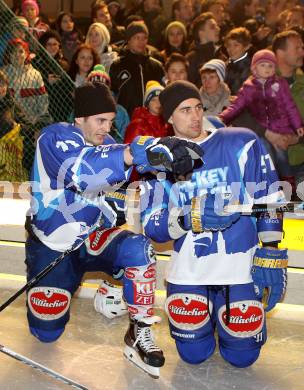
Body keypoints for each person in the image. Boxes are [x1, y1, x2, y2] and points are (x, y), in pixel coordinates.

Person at [25, 81, 203, 378]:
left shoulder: (105, 146)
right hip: (52, 247)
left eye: (110, 120)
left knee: (139, 249)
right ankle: (113, 288)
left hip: (89, 240)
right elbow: (83, 173)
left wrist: (159, 169)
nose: (107, 128)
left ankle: (139, 330)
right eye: (100, 120)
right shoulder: (55, 136)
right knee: (46, 333)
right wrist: (134, 153)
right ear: (79, 118)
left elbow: (112, 191)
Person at [140, 80, 288, 369]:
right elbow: (153, 226)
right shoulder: (159, 158)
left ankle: (224, 315)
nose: (195, 116)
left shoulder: (241, 141)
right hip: (190, 271)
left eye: (198, 107)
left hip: (239, 266)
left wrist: (270, 249)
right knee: (194, 355)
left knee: (243, 357)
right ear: (168, 117)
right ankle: (210, 316)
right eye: (185, 110)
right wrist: (188, 218)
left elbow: (270, 195)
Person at [220, 49, 304, 179]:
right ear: (254, 68)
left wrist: (298, 125)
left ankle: (288, 180)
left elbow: (290, 106)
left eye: (270, 66)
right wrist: (223, 117)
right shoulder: (248, 88)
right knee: (266, 152)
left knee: (282, 155)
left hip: (280, 127)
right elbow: (237, 106)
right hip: (262, 128)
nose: (267, 68)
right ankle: (271, 179)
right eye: (262, 65)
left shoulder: (279, 84)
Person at [109, 21, 164, 117]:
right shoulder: (117, 66)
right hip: (126, 123)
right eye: (136, 38)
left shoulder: (156, 67)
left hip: (153, 123)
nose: (141, 42)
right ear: (129, 40)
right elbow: (111, 96)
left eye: (144, 38)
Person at [186, 12, 221, 87]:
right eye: (212, 27)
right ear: (201, 33)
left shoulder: (220, 53)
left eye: (217, 26)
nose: (218, 29)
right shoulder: (192, 58)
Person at [224, 27, 255, 95]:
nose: (231, 49)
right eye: (229, 45)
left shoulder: (250, 68)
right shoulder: (226, 65)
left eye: (236, 45)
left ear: (246, 47)